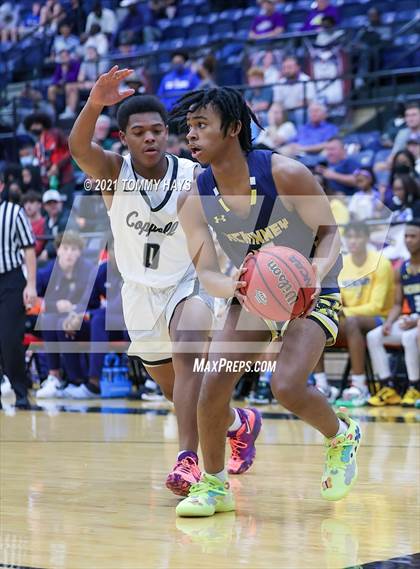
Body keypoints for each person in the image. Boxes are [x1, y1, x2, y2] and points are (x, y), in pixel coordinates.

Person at [171, 87, 362, 517]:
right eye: (189, 128)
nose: (192, 136)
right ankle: (215, 486)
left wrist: (312, 273)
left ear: (234, 128)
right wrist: (230, 284)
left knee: (287, 386)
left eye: (202, 126)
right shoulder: (195, 198)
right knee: (212, 385)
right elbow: (207, 273)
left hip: (311, 290)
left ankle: (341, 435)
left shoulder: (286, 173)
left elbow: (330, 232)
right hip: (253, 291)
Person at [68, 67, 259, 496]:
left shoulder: (194, 174)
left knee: (189, 352)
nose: (150, 138)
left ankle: (188, 460)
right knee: (179, 393)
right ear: (124, 138)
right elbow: (77, 145)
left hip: (188, 283)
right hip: (138, 293)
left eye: (157, 130)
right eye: (139, 132)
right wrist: (95, 102)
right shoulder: (112, 173)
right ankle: (239, 422)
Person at [313, 222, 395, 406]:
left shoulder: (381, 263)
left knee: (351, 323)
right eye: (349, 237)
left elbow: (376, 305)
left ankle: (359, 386)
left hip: (380, 319)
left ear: (366, 238)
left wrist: (345, 312)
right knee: (316, 324)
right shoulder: (344, 263)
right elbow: (340, 298)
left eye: (357, 236)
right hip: (350, 319)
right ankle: (322, 385)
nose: (353, 241)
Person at [35, 231, 99, 398]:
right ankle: (53, 377)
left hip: (87, 321)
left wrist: (76, 311)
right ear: (58, 250)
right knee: (49, 319)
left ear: (80, 252)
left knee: (61, 323)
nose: (69, 253)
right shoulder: (47, 272)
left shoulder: (89, 270)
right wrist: (53, 304)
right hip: (60, 322)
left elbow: (96, 302)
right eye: (65, 248)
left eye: (74, 249)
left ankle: (75, 380)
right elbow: (32, 300)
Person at [367, 221, 420, 407]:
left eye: (413, 236)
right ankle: (387, 388)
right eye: (406, 236)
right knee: (374, 336)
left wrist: (415, 321)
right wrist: (389, 322)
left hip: (416, 324)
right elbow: (398, 304)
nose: (408, 240)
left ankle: (414, 387)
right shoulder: (402, 270)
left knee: (408, 336)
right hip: (411, 320)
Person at [0, 181, 37, 410]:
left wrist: (31, 285)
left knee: (10, 339)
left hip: (11, 281)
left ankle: (20, 391)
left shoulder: (14, 212)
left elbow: (29, 248)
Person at [273, 56, 316, 127]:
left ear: (298, 67)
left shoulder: (306, 80)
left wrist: (289, 108)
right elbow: (277, 102)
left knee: (299, 112)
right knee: (271, 113)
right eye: (284, 68)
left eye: (289, 67)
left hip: (302, 110)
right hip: (285, 112)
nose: (287, 71)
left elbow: (307, 101)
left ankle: (301, 134)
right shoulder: (280, 82)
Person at [22, 191, 46, 257]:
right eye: (25, 203)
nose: (28, 206)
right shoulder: (21, 223)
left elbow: (37, 248)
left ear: (39, 205)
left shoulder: (44, 223)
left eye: (32, 202)